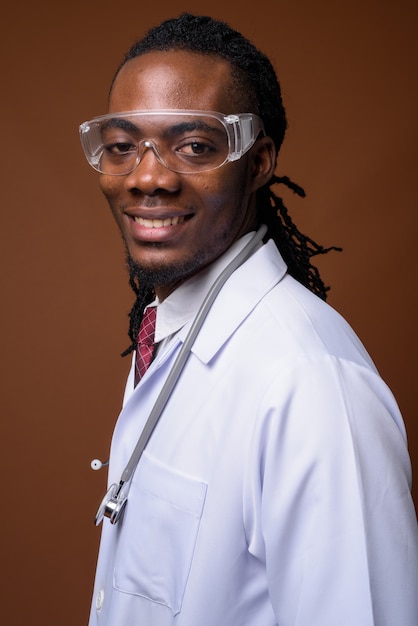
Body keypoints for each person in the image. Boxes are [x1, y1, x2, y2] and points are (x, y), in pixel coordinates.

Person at [80, 13, 418, 626]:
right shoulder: (168, 334)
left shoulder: (310, 383)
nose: (148, 177)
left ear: (258, 162)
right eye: (122, 146)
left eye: (194, 146)